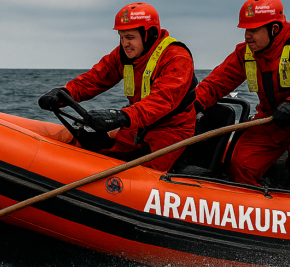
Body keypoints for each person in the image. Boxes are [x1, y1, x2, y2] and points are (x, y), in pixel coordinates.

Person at [193, 0, 290, 194]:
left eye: (253, 30)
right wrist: (191, 104)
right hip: (271, 120)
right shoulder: (246, 52)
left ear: (274, 28)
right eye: (245, 30)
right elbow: (216, 83)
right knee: (239, 167)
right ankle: (255, 213)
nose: (247, 36)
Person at [38, 2, 196, 171]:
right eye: (121, 37)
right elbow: (96, 77)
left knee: (147, 175)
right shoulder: (124, 54)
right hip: (137, 125)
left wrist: (121, 117)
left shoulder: (176, 58)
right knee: (84, 142)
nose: (124, 43)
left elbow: (162, 100)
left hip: (170, 130)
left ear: (149, 34)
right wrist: (64, 94)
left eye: (130, 37)